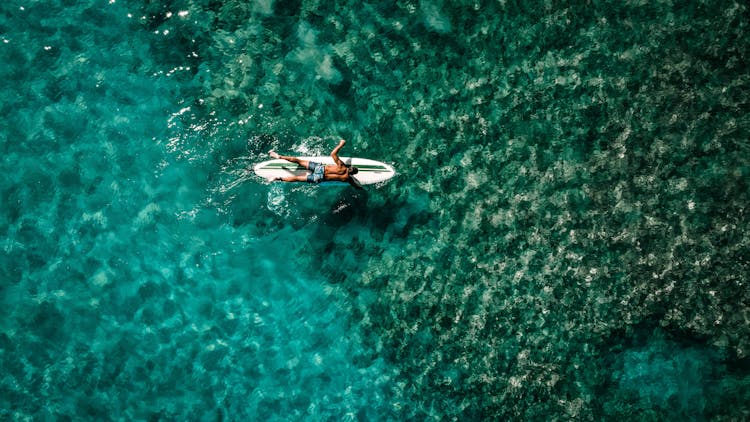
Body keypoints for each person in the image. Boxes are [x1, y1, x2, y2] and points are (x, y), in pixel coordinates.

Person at [269, 139, 363, 189]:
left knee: (298, 161)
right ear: (352, 174)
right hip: (320, 178)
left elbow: (332, 154)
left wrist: (341, 144)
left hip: (320, 168)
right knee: (298, 179)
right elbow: (356, 186)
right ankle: (278, 178)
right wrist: (360, 187)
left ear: (349, 167)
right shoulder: (347, 179)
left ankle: (279, 157)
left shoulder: (341, 166)